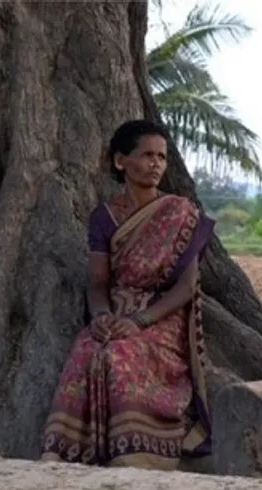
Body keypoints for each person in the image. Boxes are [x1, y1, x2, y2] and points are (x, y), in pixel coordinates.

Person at [40, 119, 214, 470]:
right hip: (115, 310)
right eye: (147, 155)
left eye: (162, 158)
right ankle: (64, 453)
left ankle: (134, 454)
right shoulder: (103, 217)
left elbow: (186, 288)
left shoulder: (181, 214)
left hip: (160, 315)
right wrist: (102, 316)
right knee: (88, 349)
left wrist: (139, 321)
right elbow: (98, 283)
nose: (156, 165)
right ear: (121, 162)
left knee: (120, 356)